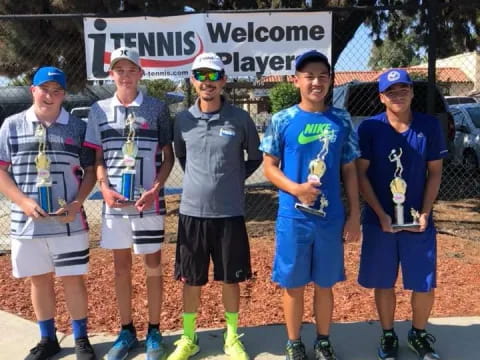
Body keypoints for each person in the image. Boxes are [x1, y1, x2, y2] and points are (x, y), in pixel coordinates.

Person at [259, 50, 361, 360]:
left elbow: (349, 169)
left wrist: (355, 213)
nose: (316, 81)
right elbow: (269, 166)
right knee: (293, 283)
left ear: (330, 80)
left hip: (330, 217)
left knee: (325, 283)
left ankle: (323, 340)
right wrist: (297, 190)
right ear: (296, 81)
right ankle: (293, 342)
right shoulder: (282, 119)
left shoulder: (341, 119)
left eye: (322, 75)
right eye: (309, 76)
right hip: (293, 217)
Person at [168, 52, 262, 360]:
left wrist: (233, 180)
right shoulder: (182, 120)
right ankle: (188, 337)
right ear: (193, 81)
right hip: (192, 214)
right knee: (190, 280)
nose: (207, 82)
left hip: (229, 214)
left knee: (230, 279)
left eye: (214, 76)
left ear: (223, 80)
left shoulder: (240, 119)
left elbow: (255, 158)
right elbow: (182, 156)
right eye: (201, 76)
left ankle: (232, 336)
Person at [0, 67, 97, 360]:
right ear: (33, 90)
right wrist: (23, 202)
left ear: (64, 94)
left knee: (73, 280)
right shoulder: (11, 125)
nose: (50, 96)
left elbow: (91, 172)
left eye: (57, 91)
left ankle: (81, 338)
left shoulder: (77, 127)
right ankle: (47, 339)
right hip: (28, 224)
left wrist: (78, 203)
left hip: (68, 223)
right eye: (45, 89)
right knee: (39, 280)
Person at [83, 47, 174, 360]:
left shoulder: (157, 108)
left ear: (141, 73)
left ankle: (154, 331)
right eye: (119, 70)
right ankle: (126, 331)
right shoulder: (98, 109)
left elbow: (168, 155)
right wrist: (105, 188)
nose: (125, 75)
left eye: (131, 69)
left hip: (148, 205)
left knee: (152, 266)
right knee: (121, 269)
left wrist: (156, 189)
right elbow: (97, 158)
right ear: (111, 74)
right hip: (114, 205)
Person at [356, 68, 446, 360]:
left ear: (412, 92)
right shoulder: (370, 128)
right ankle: (388, 334)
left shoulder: (429, 126)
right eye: (391, 92)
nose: (398, 95)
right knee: (383, 280)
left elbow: (434, 174)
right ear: (382, 97)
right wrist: (381, 214)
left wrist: (425, 212)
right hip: (379, 220)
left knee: (423, 280)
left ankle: (418, 334)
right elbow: (361, 175)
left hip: (418, 220)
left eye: (403, 89)